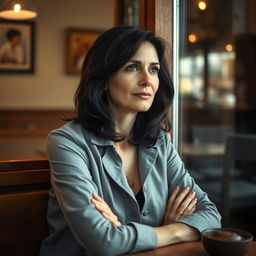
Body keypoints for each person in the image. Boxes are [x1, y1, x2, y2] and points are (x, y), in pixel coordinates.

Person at [39, 26, 221, 256]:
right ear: (104, 78)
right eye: (132, 67)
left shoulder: (160, 142)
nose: (147, 80)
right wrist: (173, 230)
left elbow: (211, 216)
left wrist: (131, 232)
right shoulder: (66, 143)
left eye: (154, 70)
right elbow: (103, 243)